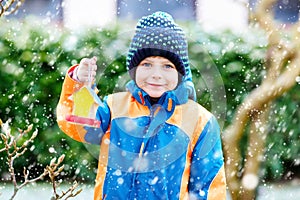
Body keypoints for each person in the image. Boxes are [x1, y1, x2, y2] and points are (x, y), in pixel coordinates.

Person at [56, 11, 226, 200]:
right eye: (146, 64)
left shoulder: (200, 121)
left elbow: (208, 185)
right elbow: (80, 125)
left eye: (167, 66)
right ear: (134, 69)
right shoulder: (114, 107)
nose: (156, 74)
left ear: (180, 73)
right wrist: (80, 85)